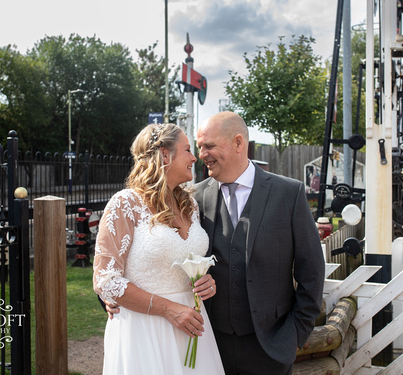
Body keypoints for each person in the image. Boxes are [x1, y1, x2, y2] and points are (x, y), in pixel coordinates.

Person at [194, 112, 325, 374]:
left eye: (209, 146)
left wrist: (295, 334)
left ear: (238, 143)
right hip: (210, 346)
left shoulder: (289, 193)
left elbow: (311, 268)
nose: (202, 154)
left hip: (271, 348)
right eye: (199, 147)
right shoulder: (194, 197)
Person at [93, 123, 225, 374]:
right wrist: (168, 309)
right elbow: (105, 280)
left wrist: (206, 281)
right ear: (165, 154)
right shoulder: (125, 204)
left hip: (192, 326)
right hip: (144, 331)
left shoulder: (190, 206)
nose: (194, 157)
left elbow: (187, 261)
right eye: (187, 149)